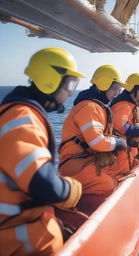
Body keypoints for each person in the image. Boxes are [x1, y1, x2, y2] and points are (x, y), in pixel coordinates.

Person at [0, 47, 84, 255]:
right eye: (71, 84)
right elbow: (44, 186)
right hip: (19, 241)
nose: (71, 93)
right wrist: (72, 189)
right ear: (50, 81)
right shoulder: (22, 118)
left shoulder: (20, 114)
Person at [58, 64, 128, 215]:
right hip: (74, 165)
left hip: (85, 160)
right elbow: (96, 142)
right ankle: (75, 201)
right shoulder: (90, 107)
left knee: (114, 173)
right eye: (115, 88)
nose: (117, 93)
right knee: (108, 184)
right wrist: (119, 143)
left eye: (119, 89)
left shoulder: (96, 106)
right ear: (104, 84)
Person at [110, 73, 139, 161]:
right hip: (122, 150)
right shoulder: (124, 105)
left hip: (129, 145)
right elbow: (120, 127)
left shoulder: (131, 104)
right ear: (134, 90)